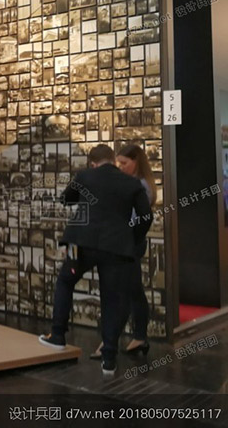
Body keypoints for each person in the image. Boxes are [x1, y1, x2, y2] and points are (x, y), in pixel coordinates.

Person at [39, 144, 152, 377]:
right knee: (112, 297)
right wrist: (132, 238)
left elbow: (66, 199)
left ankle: (57, 335)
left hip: (79, 243)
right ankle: (109, 358)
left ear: (93, 163)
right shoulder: (131, 184)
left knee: (65, 281)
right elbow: (146, 216)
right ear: (113, 160)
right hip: (116, 248)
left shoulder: (85, 176)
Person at [90, 144, 156, 359]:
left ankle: (109, 343)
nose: (120, 167)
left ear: (136, 162)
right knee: (133, 291)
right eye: (118, 163)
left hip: (128, 243)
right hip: (130, 242)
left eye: (124, 163)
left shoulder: (139, 186)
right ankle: (139, 337)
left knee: (122, 294)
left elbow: (137, 218)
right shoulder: (138, 184)